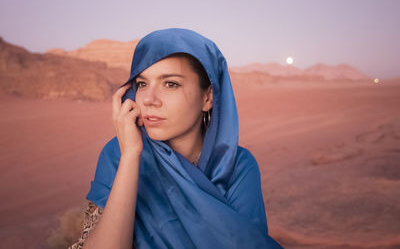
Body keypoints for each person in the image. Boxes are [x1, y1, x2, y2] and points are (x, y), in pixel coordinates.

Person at [70, 28, 282, 249]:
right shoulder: (118, 153)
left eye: (170, 84)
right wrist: (131, 156)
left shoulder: (236, 165)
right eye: (142, 84)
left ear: (208, 97)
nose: (150, 100)